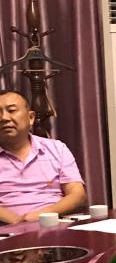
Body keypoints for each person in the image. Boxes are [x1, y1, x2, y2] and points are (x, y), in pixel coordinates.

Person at [0, 89, 86, 223]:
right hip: (6, 227)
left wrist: (42, 216)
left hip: (55, 223)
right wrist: (19, 223)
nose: (4, 118)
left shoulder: (57, 148)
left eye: (11, 110)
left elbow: (77, 194)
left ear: (31, 118)